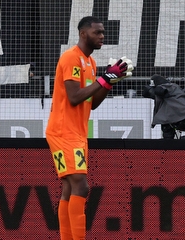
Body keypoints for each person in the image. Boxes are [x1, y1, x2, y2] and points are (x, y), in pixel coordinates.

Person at [46, 16, 132, 240]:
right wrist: (104, 79)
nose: (102, 36)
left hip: (75, 132)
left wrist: (109, 82)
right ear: (83, 34)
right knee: (81, 187)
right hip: (64, 132)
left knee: (69, 188)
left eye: (103, 32)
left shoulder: (90, 62)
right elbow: (74, 97)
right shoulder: (71, 58)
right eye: (97, 33)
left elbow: (91, 103)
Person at [143, 75, 185, 139]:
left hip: (183, 114)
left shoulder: (167, 87)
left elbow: (160, 90)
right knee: (168, 131)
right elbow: (146, 93)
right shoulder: (173, 88)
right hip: (183, 114)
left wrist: (155, 89)